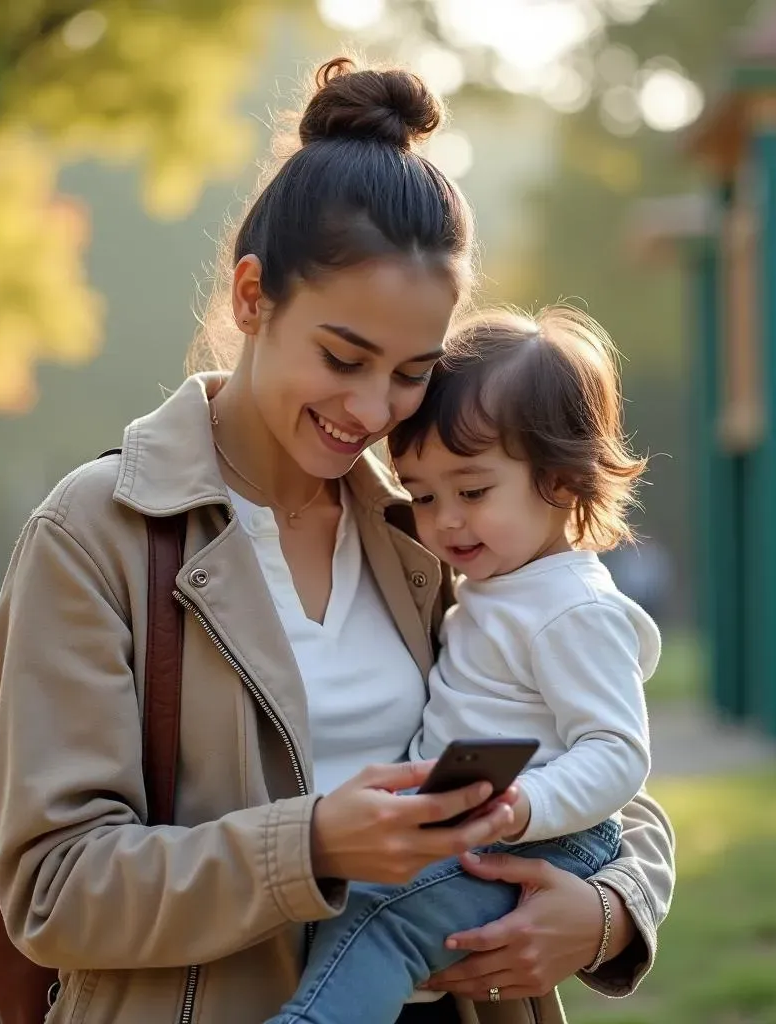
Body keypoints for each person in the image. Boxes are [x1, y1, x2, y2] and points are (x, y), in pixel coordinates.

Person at [0, 58, 674, 1024]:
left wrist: (603, 913)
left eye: (410, 374)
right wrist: (311, 845)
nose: (370, 410)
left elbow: (590, 765)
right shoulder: (96, 533)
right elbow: (53, 889)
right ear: (253, 297)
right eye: (343, 358)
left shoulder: (429, 530)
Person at [268, 308, 660, 1024]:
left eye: (473, 492)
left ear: (563, 482)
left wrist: (522, 806)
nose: (445, 519)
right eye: (422, 496)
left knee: (376, 921)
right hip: (478, 828)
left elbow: (617, 752)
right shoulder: (493, 586)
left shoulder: (571, 607)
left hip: (545, 838)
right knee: (359, 907)